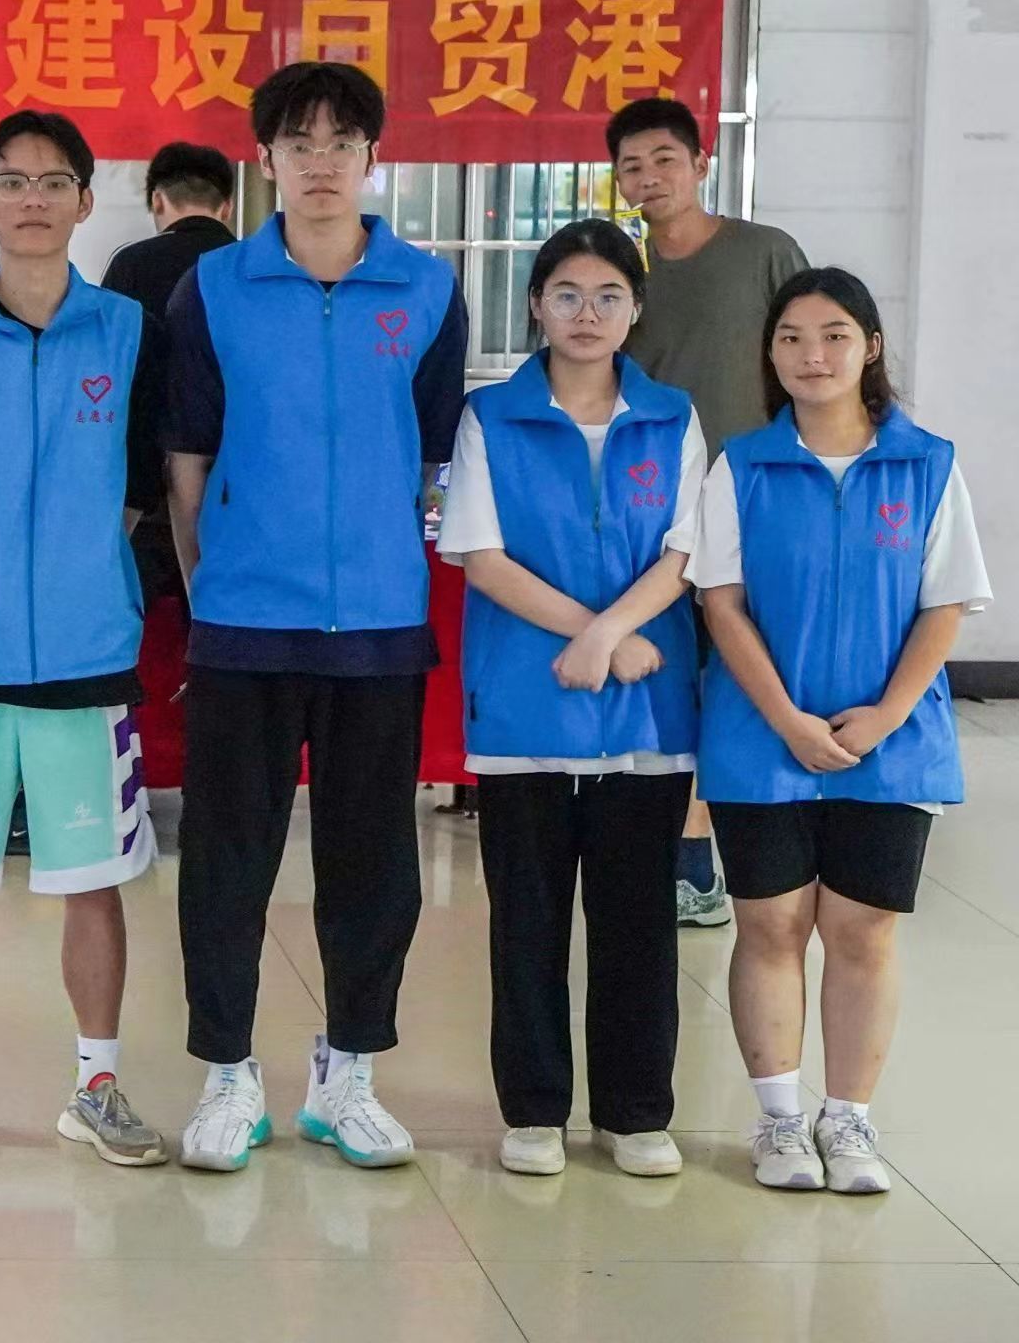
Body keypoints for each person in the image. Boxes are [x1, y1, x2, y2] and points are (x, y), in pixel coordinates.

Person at [166, 60, 468, 1173]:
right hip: (245, 622)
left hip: (379, 622)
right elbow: (186, 460)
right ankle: (227, 1077)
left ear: (373, 158)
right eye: (300, 142)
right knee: (227, 861)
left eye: (343, 142)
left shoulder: (426, 289)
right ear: (266, 159)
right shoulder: (214, 287)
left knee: (372, 862)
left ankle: (349, 1077)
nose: (322, 162)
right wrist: (215, 586)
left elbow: (430, 452)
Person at [0, 110, 167, 1170]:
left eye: (55, 182)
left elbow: (143, 485)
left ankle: (96, 1083)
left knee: (91, 882)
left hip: (89, 658)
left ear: (87, 201)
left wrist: (75, 571)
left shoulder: (132, 333)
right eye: (12, 181)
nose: (34, 199)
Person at [688, 267, 990, 1194]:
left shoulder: (927, 463)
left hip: (890, 742)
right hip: (761, 734)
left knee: (863, 930)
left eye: (832, 336)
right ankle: (780, 1121)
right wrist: (785, 718)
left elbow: (946, 601)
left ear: (870, 347)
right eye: (790, 338)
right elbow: (721, 601)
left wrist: (887, 715)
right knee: (771, 924)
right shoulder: (742, 465)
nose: (811, 356)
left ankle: (849, 1120)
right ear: (770, 353)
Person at [436, 219, 704, 1179]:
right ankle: (535, 1110)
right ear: (536, 306)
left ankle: (636, 1113)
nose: (587, 315)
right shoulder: (489, 417)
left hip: (646, 709)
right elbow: (480, 554)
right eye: (567, 295)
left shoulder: (672, 416)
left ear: (635, 310)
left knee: (638, 920)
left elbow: (687, 550)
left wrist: (610, 636)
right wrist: (597, 638)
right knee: (528, 920)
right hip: (526, 705)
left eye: (608, 297)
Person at [608, 96, 811, 928]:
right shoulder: (624, 275)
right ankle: (687, 858)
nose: (649, 178)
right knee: (676, 679)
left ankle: (734, 851)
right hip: (654, 514)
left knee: (749, 673)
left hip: (757, 504)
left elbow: (810, 360)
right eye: (631, 167)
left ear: (701, 163)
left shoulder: (765, 253)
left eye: (664, 159)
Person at [101, 142, 237, 631]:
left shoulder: (131, 264)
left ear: (158, 200)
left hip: (145, 494)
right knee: (221, 634)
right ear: (227, 206)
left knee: (127, 635)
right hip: (232, 491)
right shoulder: (250, 269)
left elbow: (108, 373)